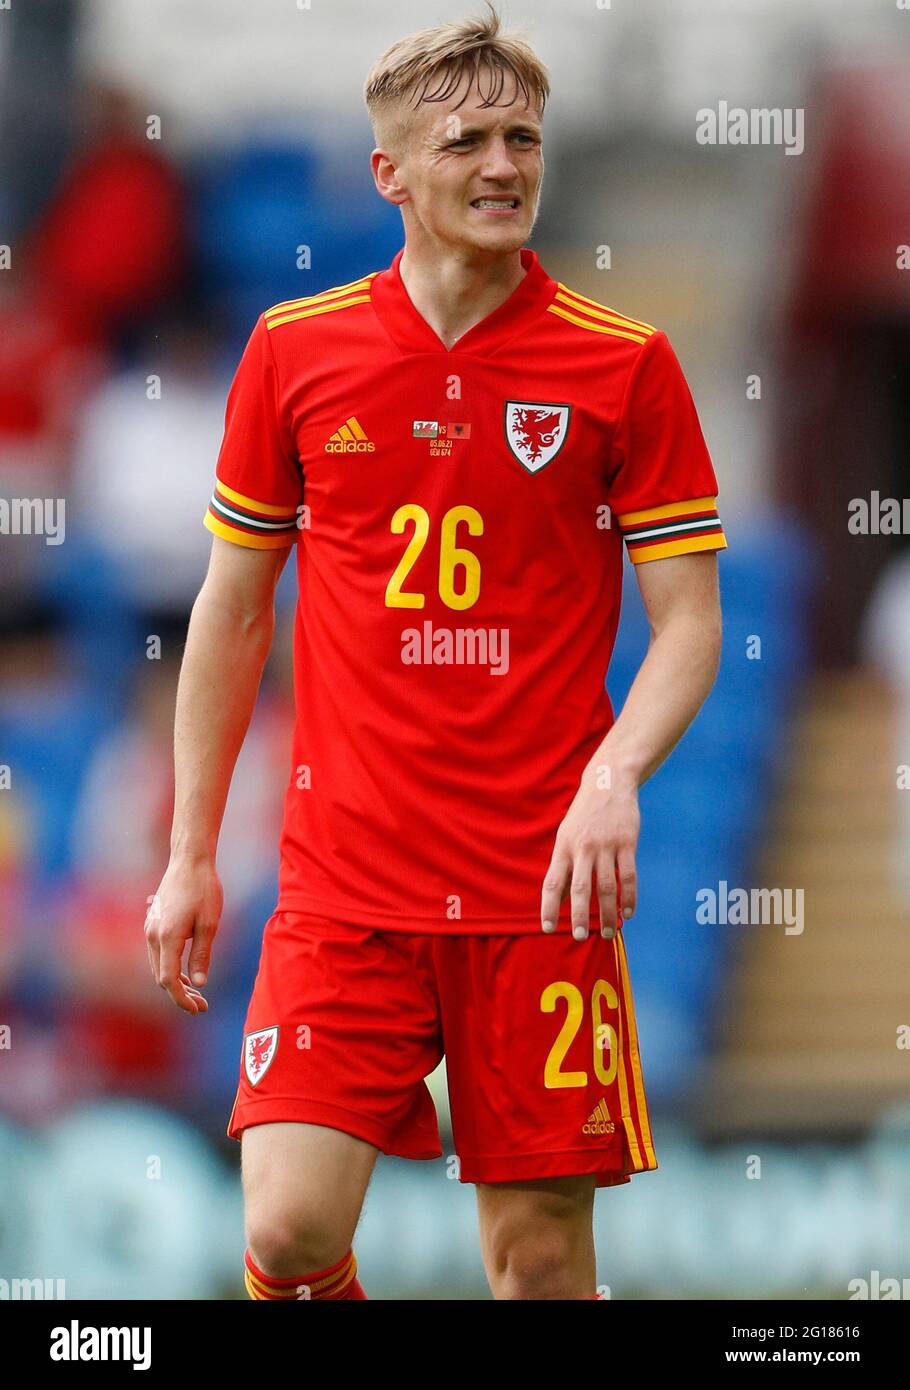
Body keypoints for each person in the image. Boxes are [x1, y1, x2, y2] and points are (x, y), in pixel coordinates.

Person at [146, 6, 726, 1301]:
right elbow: (232, 612)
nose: (505, 166)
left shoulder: (623, 365)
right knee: (290, 1233)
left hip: (541, 893)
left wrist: (613, 772)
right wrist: (191, 851)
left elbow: (689, 622)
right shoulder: (292, 354)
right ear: (389, 174)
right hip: (345, 884)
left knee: (536, 1260)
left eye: (523, 137)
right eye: (465, 140)